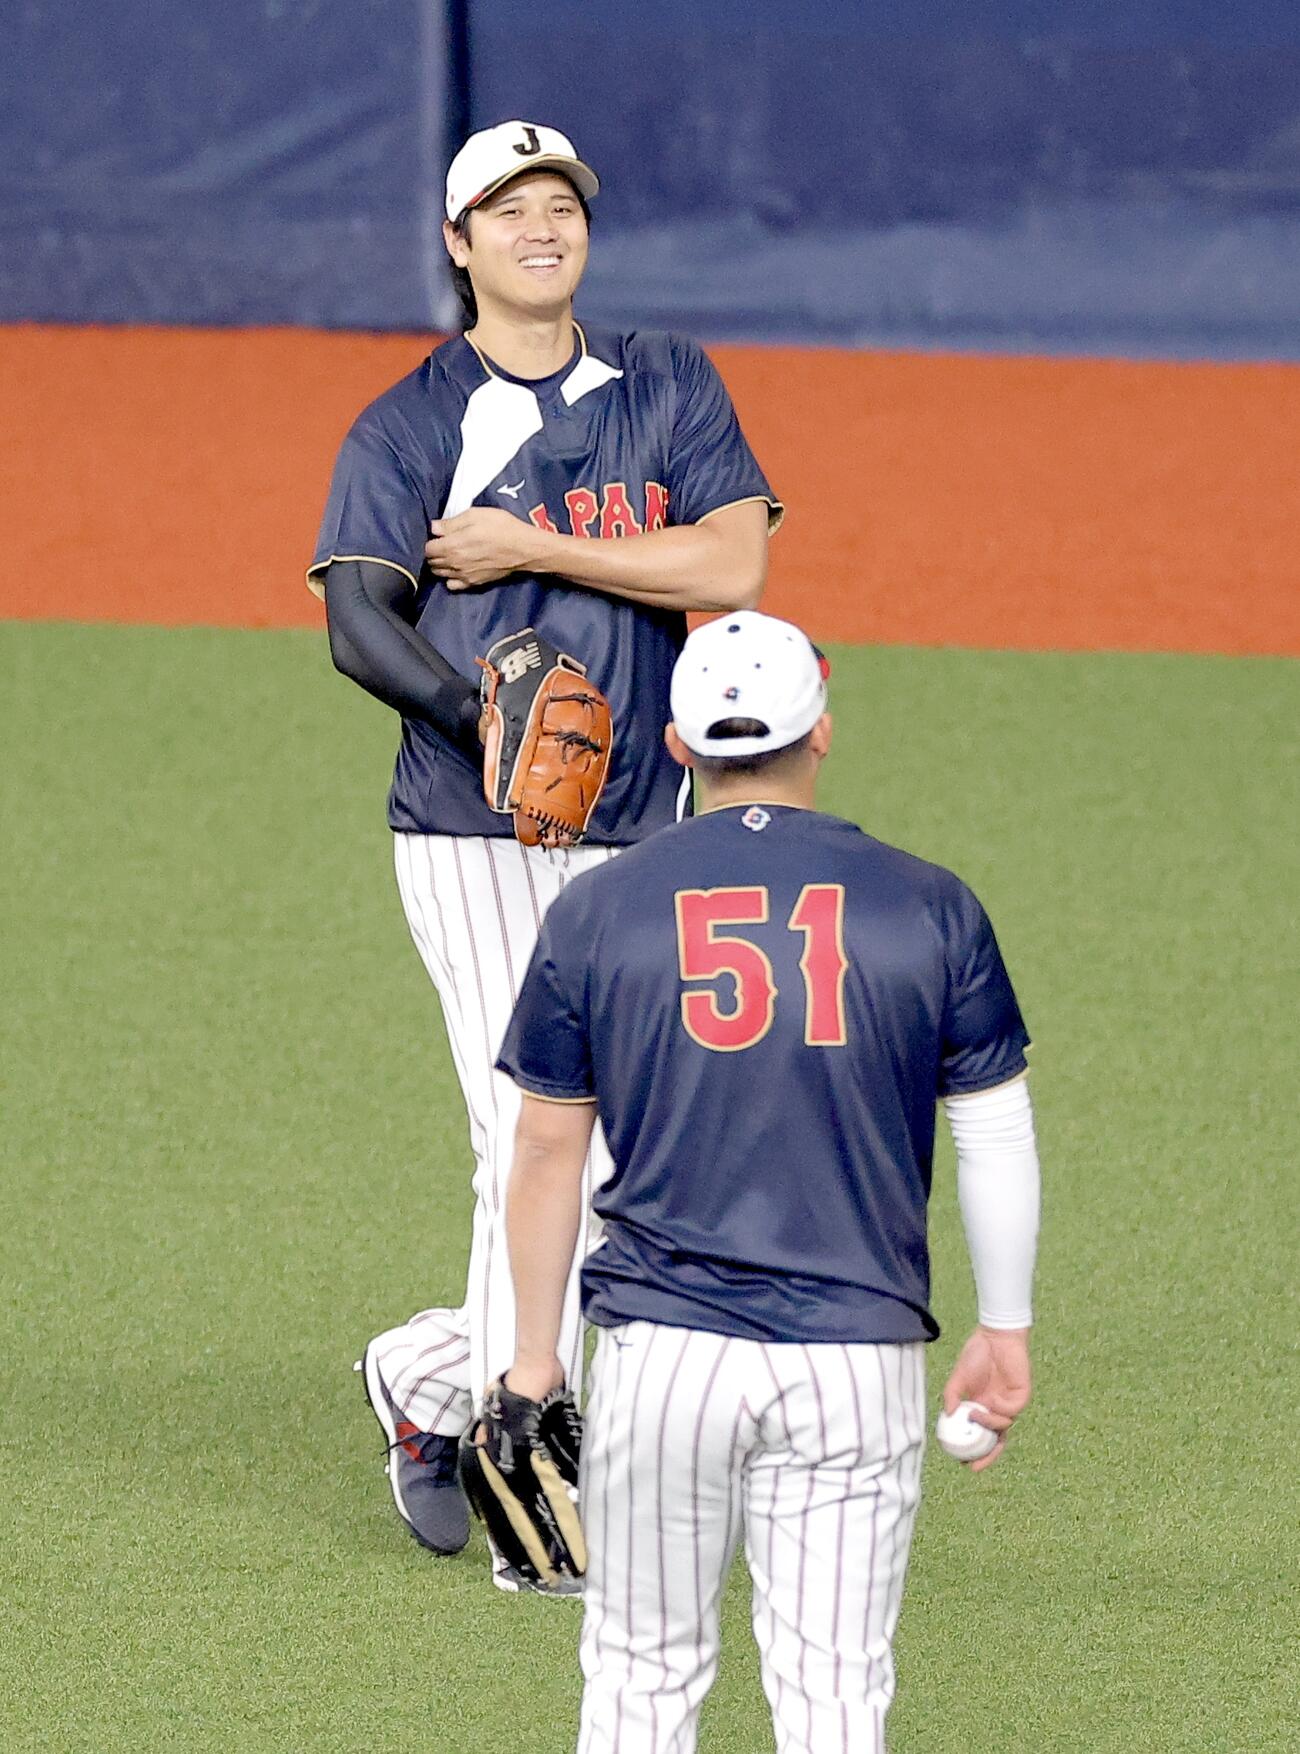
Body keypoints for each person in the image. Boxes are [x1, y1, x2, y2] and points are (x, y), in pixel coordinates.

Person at [306, 120, 781, 1585]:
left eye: (559, 204)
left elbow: (733, 562)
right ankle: (532, 1469)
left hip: (646, 823)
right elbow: (356, 618)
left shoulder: (669, 382)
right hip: (472, 831)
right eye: (505, 209)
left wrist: (532, 548)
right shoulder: (404, 424)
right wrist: (479, 720)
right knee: (535, 1138)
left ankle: (427, 1379)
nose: (537, 226)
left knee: (621, 1154)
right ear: (458, 245)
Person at [494, 609, 1041, 1746]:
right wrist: (1004, 1324)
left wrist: (536, 1358)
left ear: (680, 746)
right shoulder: (929, 903)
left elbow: (547, 1147)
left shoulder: (595, 909)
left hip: (663, 1358)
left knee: (641, 1677)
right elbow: (994, 1132)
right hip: (855, 1353)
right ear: (821, 732)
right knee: (835, 1691)